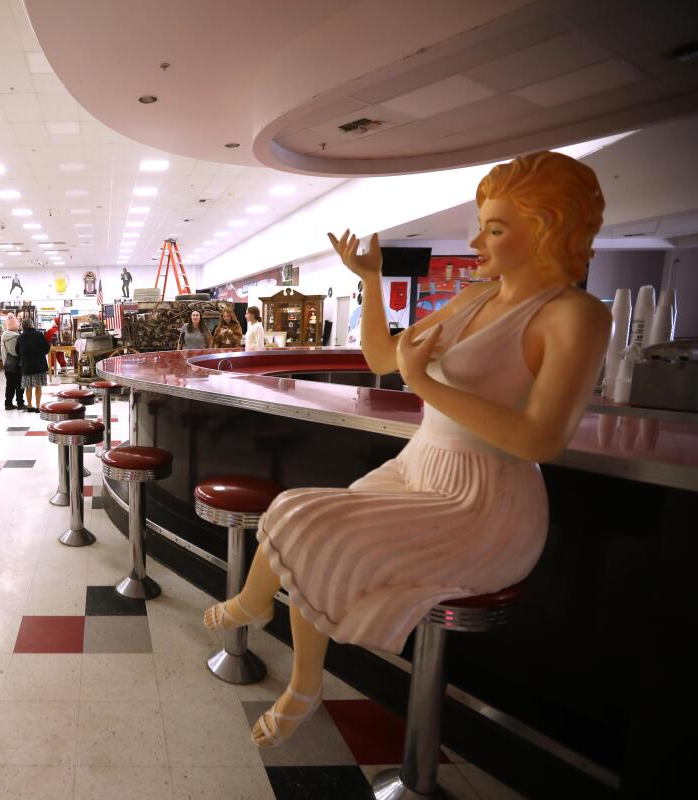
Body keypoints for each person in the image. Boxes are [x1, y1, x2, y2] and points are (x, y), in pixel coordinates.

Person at [203, 151, 610, 748]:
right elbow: (379, 359)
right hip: (420, 467)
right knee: (300, 519)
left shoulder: (575, 315)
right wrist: (370, 280)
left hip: (483, 500)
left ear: (546, 230)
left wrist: (425, 385)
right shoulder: (473, 298)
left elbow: (542, 439)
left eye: (495, 229)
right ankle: (299, 674)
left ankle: (264, 622)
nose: (477, 240)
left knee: (301, 516)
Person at [16, 318, 50, 412]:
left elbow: (17, 351)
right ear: (32, 325)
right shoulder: (39, 335)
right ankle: (38, 407)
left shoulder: (20, 337)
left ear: (23, 326)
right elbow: (47, 348)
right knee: (38, 386)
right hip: (39, 365)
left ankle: (30, 406)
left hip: (26, 365)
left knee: (28, 387)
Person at [1, 314, 24, 410]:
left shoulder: (4, 336)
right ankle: (20, 403)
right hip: (17, 364)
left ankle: (8, 403)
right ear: (15, 327)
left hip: (7, 364)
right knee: (19, 384)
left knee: (9, 385)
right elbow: (17, 352)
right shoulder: (17, 337)